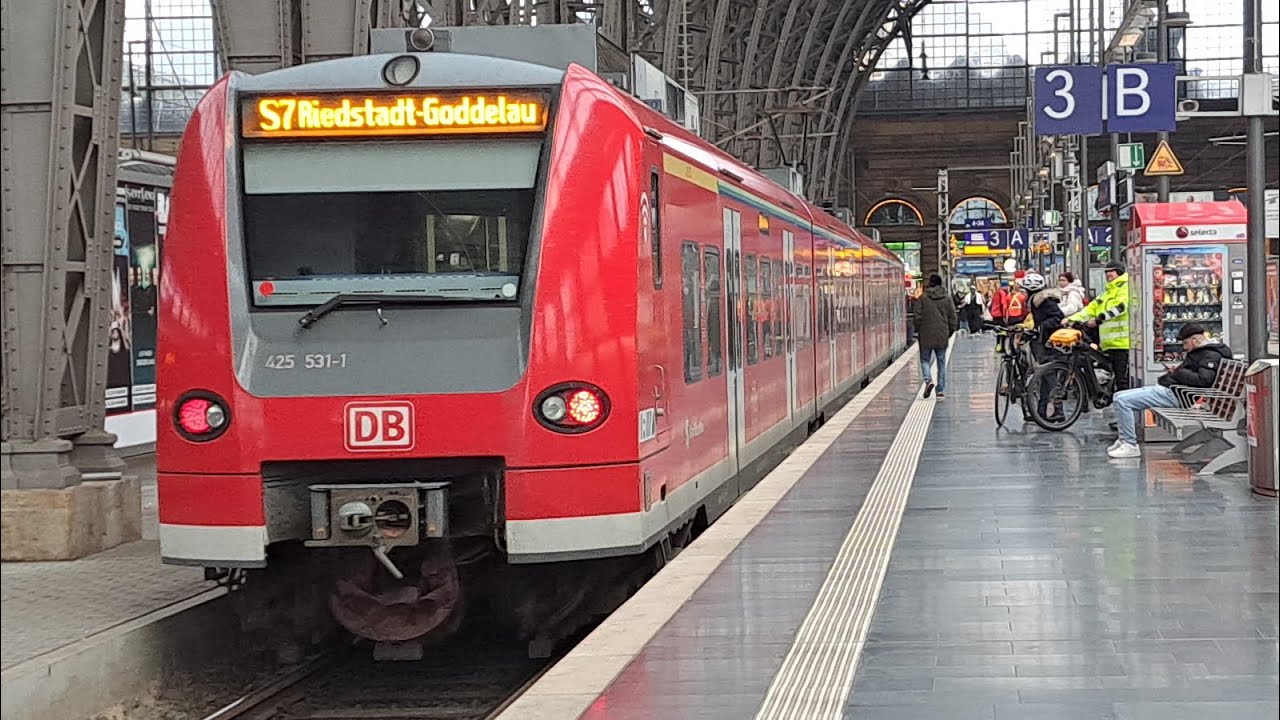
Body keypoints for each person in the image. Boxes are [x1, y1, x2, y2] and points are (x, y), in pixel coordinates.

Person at [1107, 324, 1232, 458]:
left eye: (1185, 343)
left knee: (1122, 401)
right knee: (1119, 395)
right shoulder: (1204, 353)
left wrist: (1179, 372)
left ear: (1195, 341)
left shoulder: (1210, 355)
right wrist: (1178, 372)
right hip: (1172, 391)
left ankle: (1130, 444)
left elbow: (1203, 380)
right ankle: (1124, 439)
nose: (1184, 347)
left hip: (1176, 395)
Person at [1068, 261, 1130, 391]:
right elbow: (1090, 309)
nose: (1108, 275)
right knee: (1112, 379)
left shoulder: (1125, 287)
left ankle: (1123, 408)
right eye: (1106, 272)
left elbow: (1121, 307)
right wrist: (1069, 319)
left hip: (1123, 344)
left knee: (1121, 381)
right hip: (1108, 344)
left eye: (1111, 272)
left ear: (1119, 272)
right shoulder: (1106, 293)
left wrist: (1099, 319)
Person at [1020, 271, 1067, 422]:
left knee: (1049, 376)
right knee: (1044, 377)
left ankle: (1058, 409)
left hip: (1049, 343)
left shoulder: (1043, 301)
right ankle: (1040, 412)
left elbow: (1058, 317)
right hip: (1044, 341)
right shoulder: (1037, 300)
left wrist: (1041, 327)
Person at [914, 273, 958, 400]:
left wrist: (919, 330)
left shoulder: (922, 298)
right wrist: (949, 332)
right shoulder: (947, 298)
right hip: (942, 334)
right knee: (941, 363)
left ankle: (928, 380)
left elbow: (917, 317)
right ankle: (940, 391)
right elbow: (953, 318)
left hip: (926, 334)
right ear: (940, 284)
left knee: (924, 360)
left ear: (930, 284)